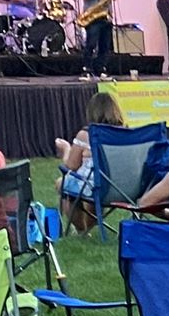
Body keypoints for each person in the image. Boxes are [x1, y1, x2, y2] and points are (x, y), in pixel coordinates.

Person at [53, 89, 128, 234]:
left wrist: (66, 148)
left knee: (63, 184)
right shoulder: (126, 133)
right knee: (95, 183)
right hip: (124, 188)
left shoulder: (86, 135)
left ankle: (82, 229)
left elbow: (71, 167)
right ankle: (87, 228)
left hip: (97, 187)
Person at [75, 0, 120, 78]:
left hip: (106, 16)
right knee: (91, 43)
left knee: (105, 45)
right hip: (92, 17)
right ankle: (87, 68)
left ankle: (101, 68)